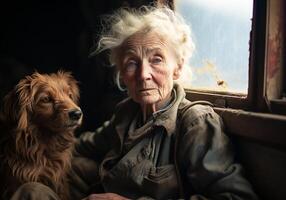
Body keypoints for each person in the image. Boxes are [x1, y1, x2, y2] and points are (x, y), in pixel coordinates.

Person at [11, 5, 258, 200]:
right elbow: (84, 145)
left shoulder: (195, 122)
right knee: (31, 191)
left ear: (178, 67)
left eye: (157, 60)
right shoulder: (127, 113)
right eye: (131, 63)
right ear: (122, 74)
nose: (143, 74)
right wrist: (25, 145)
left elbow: (235, 196)